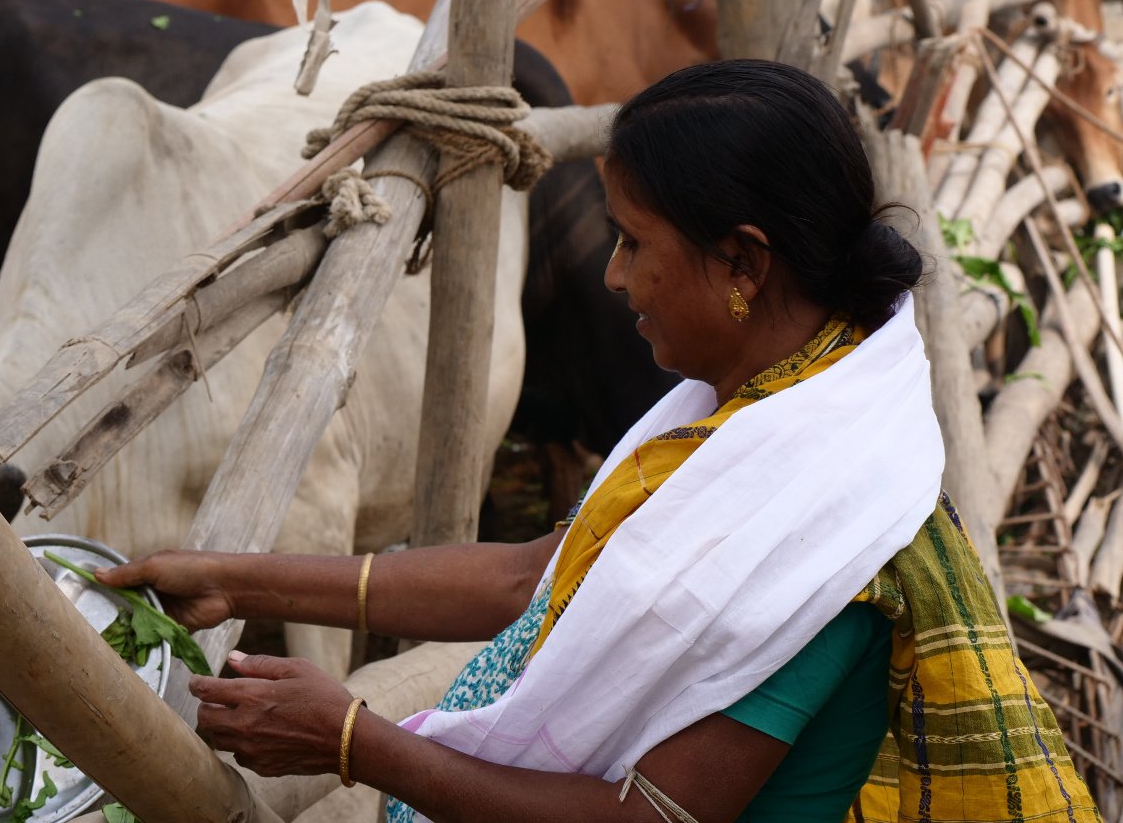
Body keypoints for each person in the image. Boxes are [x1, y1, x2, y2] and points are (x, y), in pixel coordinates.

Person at [98, 60, 1097, 823]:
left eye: (631, 241)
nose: (612, 276)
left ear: (741, 260)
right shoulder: (763, 411)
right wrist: (237, 580)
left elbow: (648, 817)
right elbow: (538, 572)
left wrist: (355, 739)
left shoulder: (829, 536)